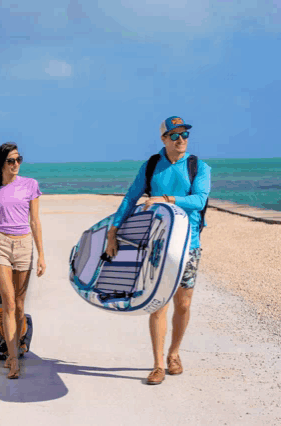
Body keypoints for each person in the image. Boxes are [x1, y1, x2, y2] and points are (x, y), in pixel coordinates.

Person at [105, 116, 211, 385]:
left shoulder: (198, 167)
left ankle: (174, 353)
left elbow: (199, 200)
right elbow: (131, 197)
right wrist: (114, 230)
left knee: (183, 304)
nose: (181, 140)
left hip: (189, 245)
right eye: (174, 135)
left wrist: (166, 199)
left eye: (185, 134)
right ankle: (158, 364)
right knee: (158, 304)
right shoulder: (152, 166)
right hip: (157, 245)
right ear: (164, 139)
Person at [0, 142, 46, 379]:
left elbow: (35, 222)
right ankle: (13, 358)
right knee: (7, 302)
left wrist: (41, 256)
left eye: (18, 159)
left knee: (19, 304)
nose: (15, 164)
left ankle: (16, 346)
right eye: (10, 160)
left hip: (24, 246)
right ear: (1, 164)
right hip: (1, 246)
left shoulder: (30, 185)